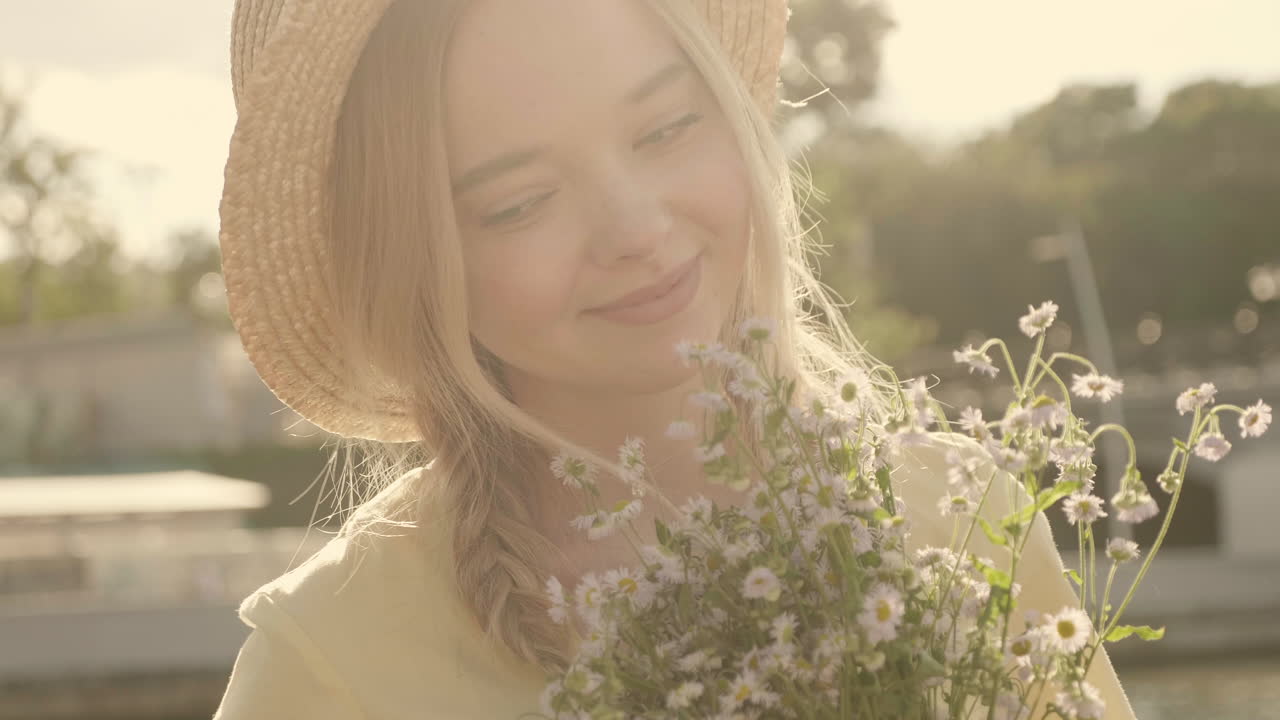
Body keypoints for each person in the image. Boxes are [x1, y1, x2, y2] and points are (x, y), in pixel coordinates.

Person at [212, 0, 1136, 717]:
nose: (638, 229)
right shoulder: (331, 658)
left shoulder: (968, 520)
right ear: (412, 265)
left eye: (665, 131)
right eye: (521, 202)